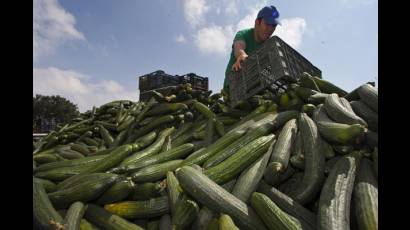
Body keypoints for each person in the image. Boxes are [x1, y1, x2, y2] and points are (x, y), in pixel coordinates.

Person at [223, 5, 281, 92]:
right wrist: (242, 55)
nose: (270, 29)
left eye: (274, 25)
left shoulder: (269, 45)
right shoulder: (243, 34)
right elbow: (239, 47)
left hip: (254, 88)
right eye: (267, 24)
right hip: (233, 87)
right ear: (257, 22)